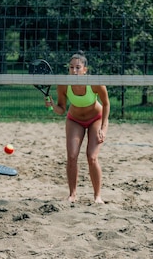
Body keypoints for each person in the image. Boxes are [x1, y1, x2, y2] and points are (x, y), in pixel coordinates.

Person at [44, 52, 110, 204]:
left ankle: (97, 196)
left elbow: (106, 104)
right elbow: (61, 109)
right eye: (71, 67)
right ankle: (72, 195)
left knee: (92, 157)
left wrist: (103, 128)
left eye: (78, 67)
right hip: (75, 120)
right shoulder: (63, 84)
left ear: (85, 70)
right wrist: (53, 105)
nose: (74, 71)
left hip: (96, 119)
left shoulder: (95, 82)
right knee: (72, 156)